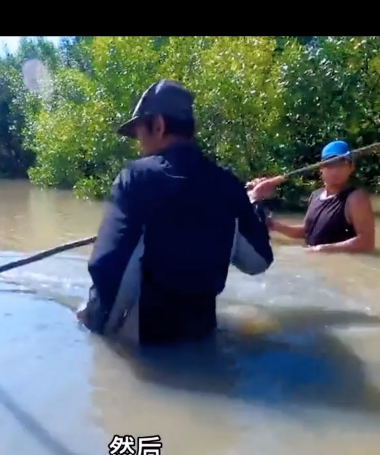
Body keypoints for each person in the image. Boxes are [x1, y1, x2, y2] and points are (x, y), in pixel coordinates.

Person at [76, 79, 274, 345]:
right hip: (203, 337)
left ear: (158, 125)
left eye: (139, 134)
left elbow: (109, 269)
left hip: (144, 349)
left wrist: (92, 323)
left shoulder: (136, 178)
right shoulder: (229, 185)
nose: (139, 145)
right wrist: (254, 205)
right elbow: (258, 261)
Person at [247, 140, 376, 253]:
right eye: (331, 164)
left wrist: (324, 249)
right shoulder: (315, 195)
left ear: (351, 167)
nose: (336, 170)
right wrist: (274, 225)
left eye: (342, 164)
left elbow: (366, 242)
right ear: (321, 168)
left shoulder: (355, 198)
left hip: (336, 266)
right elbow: (307, 231)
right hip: (315, 260)